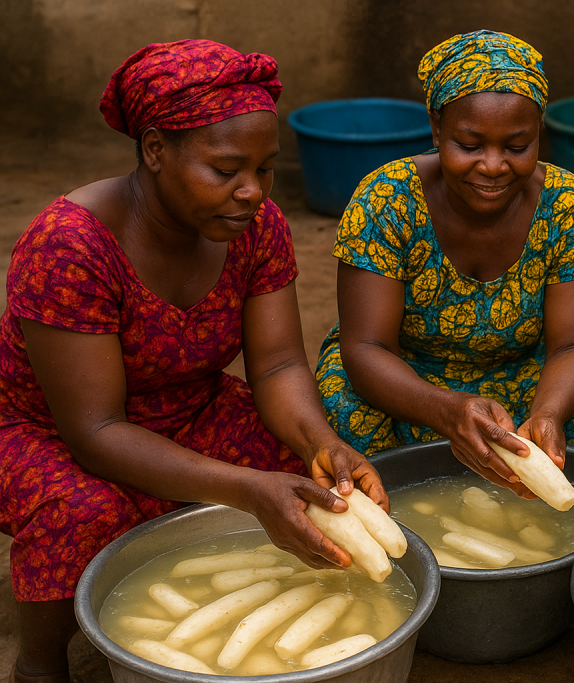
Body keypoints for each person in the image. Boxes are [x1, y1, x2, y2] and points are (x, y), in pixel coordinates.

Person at [0, 40, 386, 683]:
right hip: (46, 429)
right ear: (154, 150)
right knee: (86, 510)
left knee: (308, 476)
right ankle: (39, 664)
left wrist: (323, 442)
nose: (251, 192)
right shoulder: (69, 245)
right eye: (227, 169)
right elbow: (95, 431)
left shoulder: (258, 228)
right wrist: (245, 487)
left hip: (187, 408)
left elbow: (278, 368)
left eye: (265, 170)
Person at [316, 30, 574, 494]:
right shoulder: (388, 200)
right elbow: (367, 348)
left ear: (539, 133)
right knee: (342, 402)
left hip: (526, 376)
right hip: (407, 380)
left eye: (517, 146)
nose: (493, 166)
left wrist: (547, 415)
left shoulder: (569, 207)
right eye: (470, 145)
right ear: (437, 128)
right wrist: (445, 408)